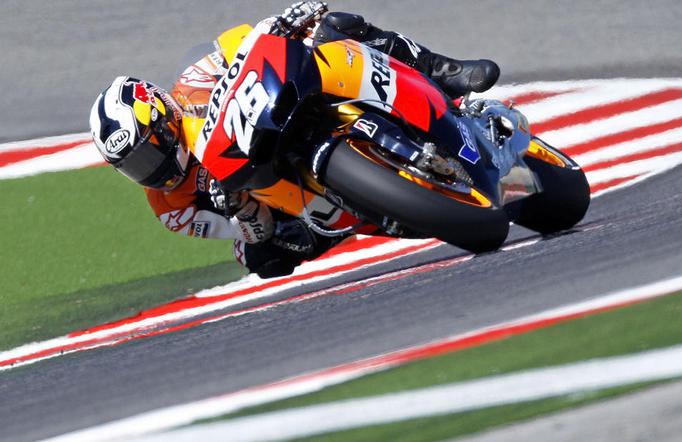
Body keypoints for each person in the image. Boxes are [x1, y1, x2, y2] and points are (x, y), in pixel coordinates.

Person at [89, 2, 500, 278]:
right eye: (133, 167)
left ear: (162, 117)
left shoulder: (194, 80)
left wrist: (285, 24)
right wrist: (244, 213)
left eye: (148, 152)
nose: (151, 169)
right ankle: (367, 206)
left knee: (334, 29)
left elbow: (248, 44)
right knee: (261, 261)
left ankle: (441, 70)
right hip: (281, 201)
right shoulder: (171, 207)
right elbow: (242, 236)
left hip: (283, 113)